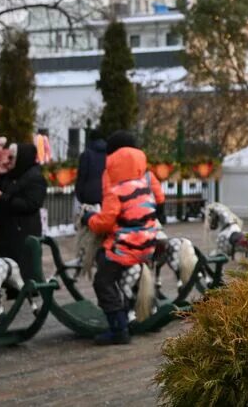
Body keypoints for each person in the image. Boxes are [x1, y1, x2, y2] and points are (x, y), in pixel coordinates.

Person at [84, 138, 164, 345]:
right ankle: (143, 308)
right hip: (147, 245)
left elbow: (105, 222)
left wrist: (88, 219)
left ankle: (118, 327)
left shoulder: (116, 191)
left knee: (103, 280)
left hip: (125, 248)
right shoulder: (144, 185)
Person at [0, 143, 47, 283]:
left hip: (22, 230)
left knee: (23, 270)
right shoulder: (12, 174)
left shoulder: (35, 177)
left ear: (21, 157)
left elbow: (32, 204)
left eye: (12, 157)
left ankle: (28, 293)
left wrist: (5, 199)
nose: (8, 160)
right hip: (7, 231)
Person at [75, 128, 108, 206]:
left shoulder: (86, 154)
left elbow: (82, 176)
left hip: (89, 195)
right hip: (106, 193)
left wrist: (79, 194)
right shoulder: (109, 153)